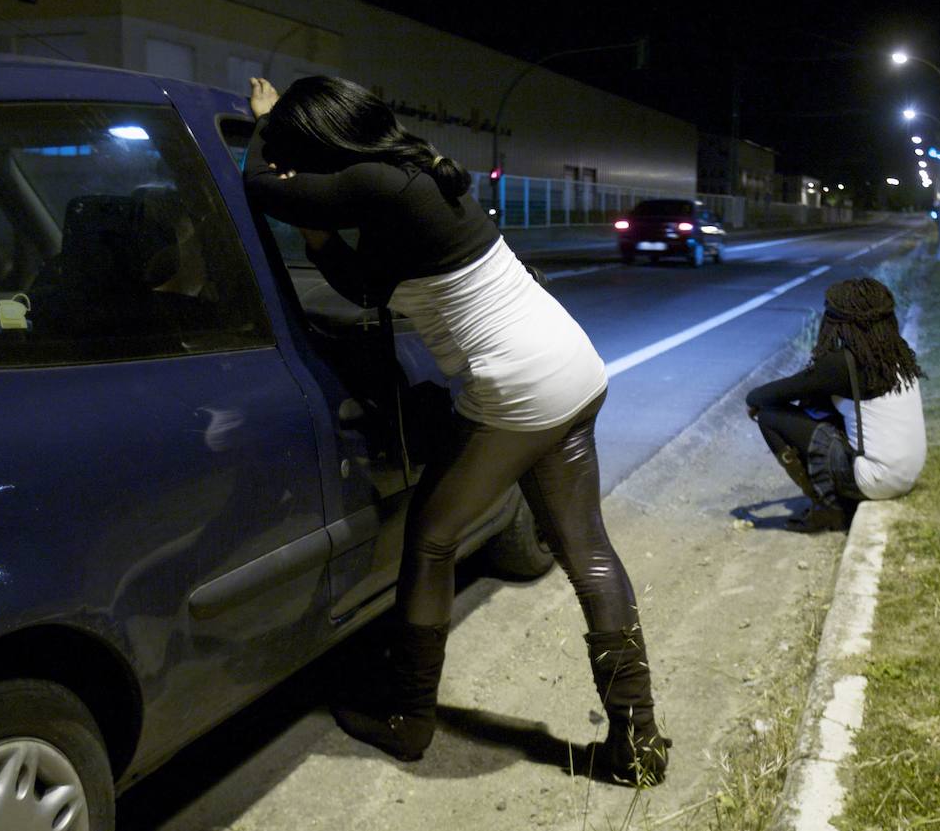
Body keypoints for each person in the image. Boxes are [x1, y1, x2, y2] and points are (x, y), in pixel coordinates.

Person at [242, 76, 669, 785]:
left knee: (431, 535)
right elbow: (364, 283)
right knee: (587, 550)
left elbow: (264, 188)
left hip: (518, 388)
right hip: (570, 365)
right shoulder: (412, 172)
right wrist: (319, 235)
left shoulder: (374, 182)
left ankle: (408, 719)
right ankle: (638, 743)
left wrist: (263, 122)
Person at [745, 277, 926, 529]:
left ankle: (827, 508)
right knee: (824, 410)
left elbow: (758, 397)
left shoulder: (843, 365)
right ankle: (840, 500)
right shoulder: (895, 352)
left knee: (769, 416)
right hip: (906, 475)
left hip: (876, 481)